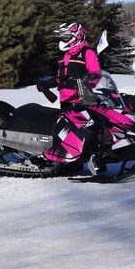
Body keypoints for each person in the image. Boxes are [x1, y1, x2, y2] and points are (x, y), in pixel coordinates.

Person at [39, 22, 104, 165]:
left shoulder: (87, 52)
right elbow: (60, 77)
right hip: (65, 99)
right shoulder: (63, 56)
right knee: (67, 133)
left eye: (66, 37)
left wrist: (83, 82)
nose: (63, 40)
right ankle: (68, 161)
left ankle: (97, 160)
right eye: (62, 37)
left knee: (86, 131)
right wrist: (48, 83)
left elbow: (96, 75)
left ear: (77, 36)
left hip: (83, 99)